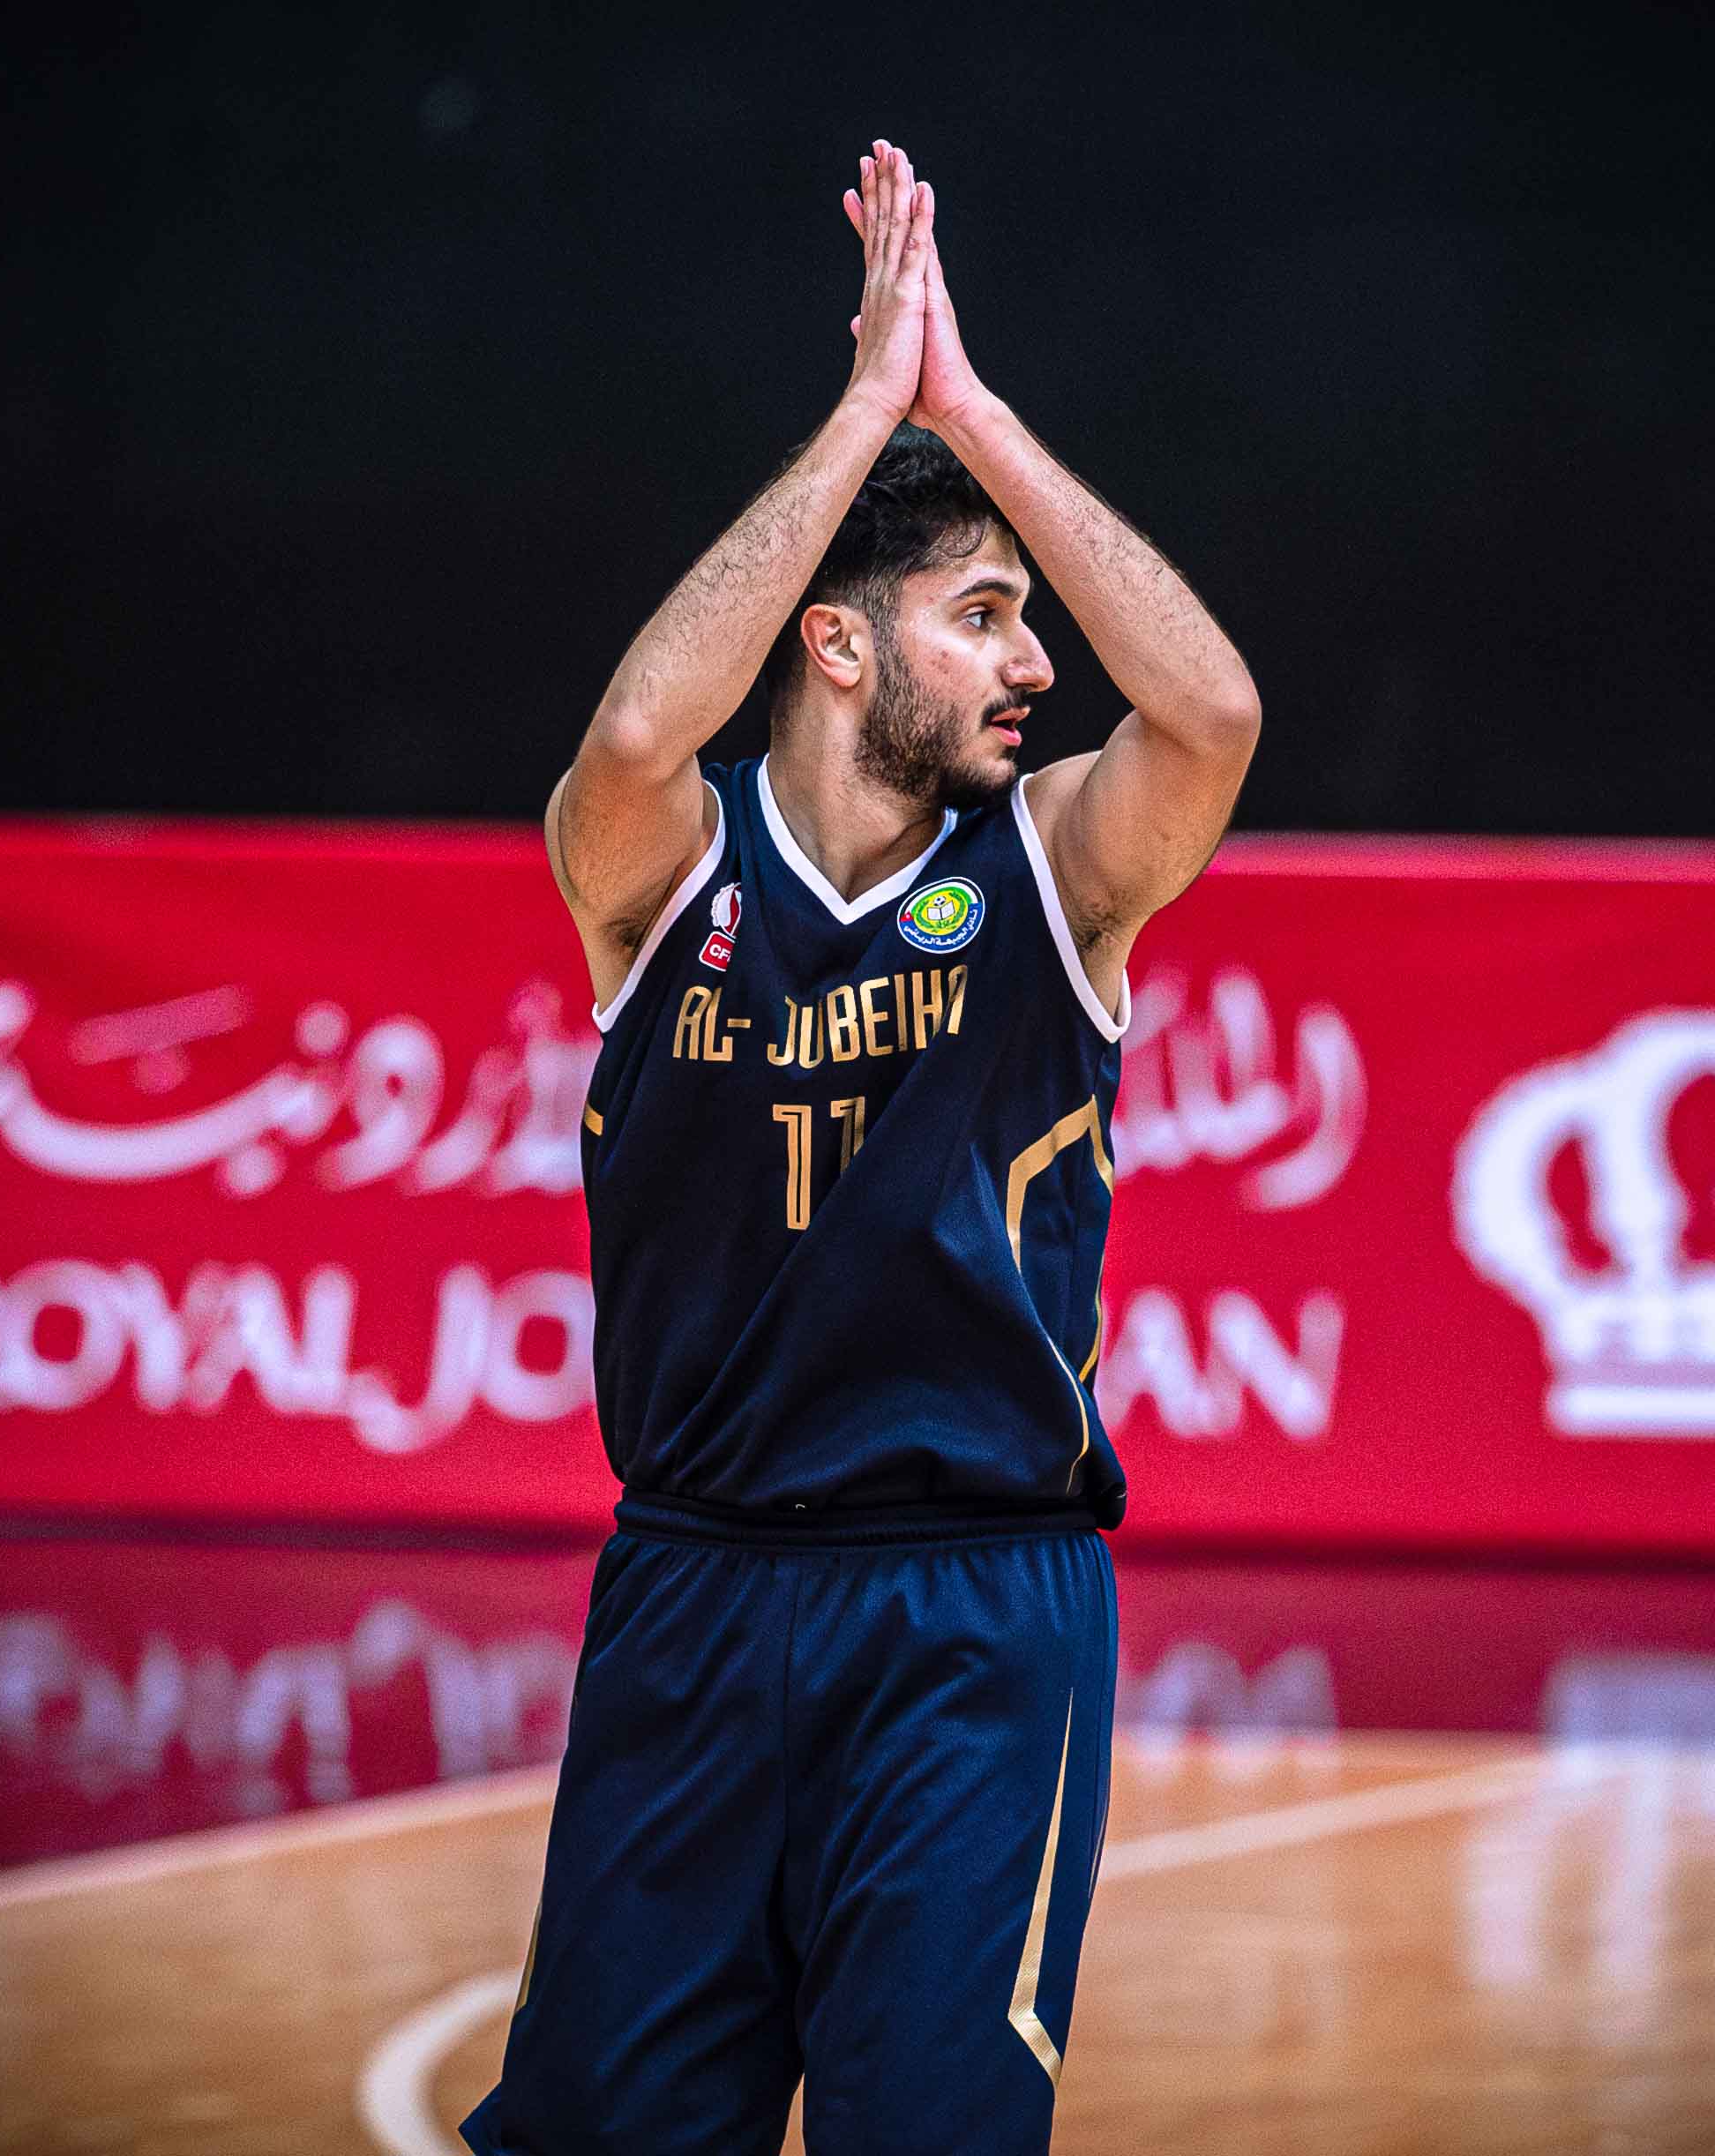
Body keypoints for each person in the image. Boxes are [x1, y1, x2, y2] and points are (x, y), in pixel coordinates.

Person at [461, 136, 1260, 2153]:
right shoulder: (664, 870)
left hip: (975, 1603)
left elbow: (1213, 715)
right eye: (981, 615)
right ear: (837, 645)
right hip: (694, 1588)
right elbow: (630, 738)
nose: (1033, 663)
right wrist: (858, 419)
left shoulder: (1053, 865)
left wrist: (967, 412)